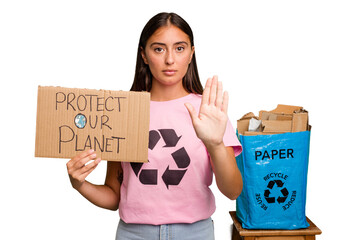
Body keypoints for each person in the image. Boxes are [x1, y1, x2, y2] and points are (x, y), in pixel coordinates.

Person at [66, 12, 243, 240]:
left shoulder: (209, 112)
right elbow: (113, 197)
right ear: (144, 55)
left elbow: (233, 191)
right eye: (159, 49)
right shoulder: (122, 111)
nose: (170, 59)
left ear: (191, 53)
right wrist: (79, 184)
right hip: (134, 234)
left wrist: (216, 144)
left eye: (179, 48)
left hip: (194, 233)